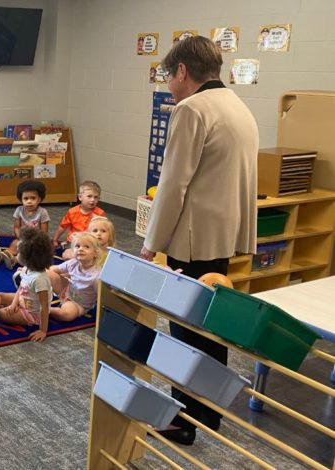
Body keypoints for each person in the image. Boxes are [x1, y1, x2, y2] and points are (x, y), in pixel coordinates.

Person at [140, 36, 259, 446]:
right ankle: (205, 414)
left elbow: (173, 183)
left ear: (182, 72)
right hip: (223, 234)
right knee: (208, 329)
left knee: (187, 332)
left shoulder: (191, 108)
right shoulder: (237, 105)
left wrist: (151, 242)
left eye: (168, 76)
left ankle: (186, 421)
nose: (169, 85)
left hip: (192, 238)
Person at [0, 227, 53, 342]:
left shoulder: (39, 279)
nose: (16, 255)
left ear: (28, 258)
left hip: (31, 314)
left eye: (18, 253)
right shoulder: (27, 268)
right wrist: (14, 303)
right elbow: (21, 288)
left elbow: (44, 307)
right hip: (23, 300)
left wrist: (43, 330)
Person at [0, 180, 49, 269]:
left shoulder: (42, 212)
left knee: (32, 253)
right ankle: (1, 256)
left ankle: (14, 260)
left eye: (33, 198)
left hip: (36, 240)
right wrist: (20, 237)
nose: (29, 201)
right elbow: (17, 227)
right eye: (26, 198)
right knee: (15, 244)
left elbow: (44, 232)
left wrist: (34, 241)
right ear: (21, 199)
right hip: (23, 238)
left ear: (39, 199)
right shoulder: (19, 210)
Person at [47, 232, 101, 322]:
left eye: (86, 247)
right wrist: (40, 272)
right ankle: (27, 277)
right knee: (46, 273)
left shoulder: (97, 275)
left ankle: (45, 310)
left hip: (77, 304)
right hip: (67, 290)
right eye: (77, 246)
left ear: (95, 253)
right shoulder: (73, 262)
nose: (81, 249)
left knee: (66, 314)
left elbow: (101, 298)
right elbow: (54, 269)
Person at [52, 181, 105, 258]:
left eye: (96, 197)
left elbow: (105, 231)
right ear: (80, 197)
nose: (93, 200)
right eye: (89, 196)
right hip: (74, 242)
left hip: (91, 244)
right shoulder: (72, 211)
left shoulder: (100, 214)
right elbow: (63, 226)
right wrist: (55, 239)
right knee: (66, 256)